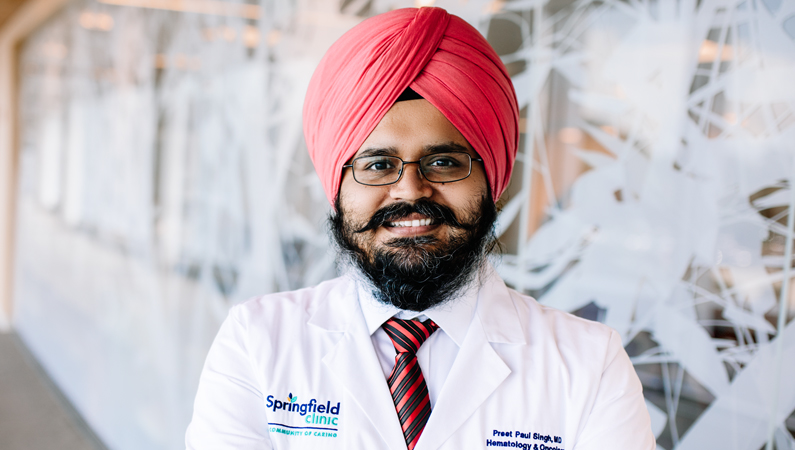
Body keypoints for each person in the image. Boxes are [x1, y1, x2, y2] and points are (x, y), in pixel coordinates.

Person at [186, 7, 656, 450]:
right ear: (337, 184)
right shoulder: (257, 342)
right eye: (377, 164)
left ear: (492, 178)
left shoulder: (589, 365)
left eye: (444, 161)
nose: (411, 190)